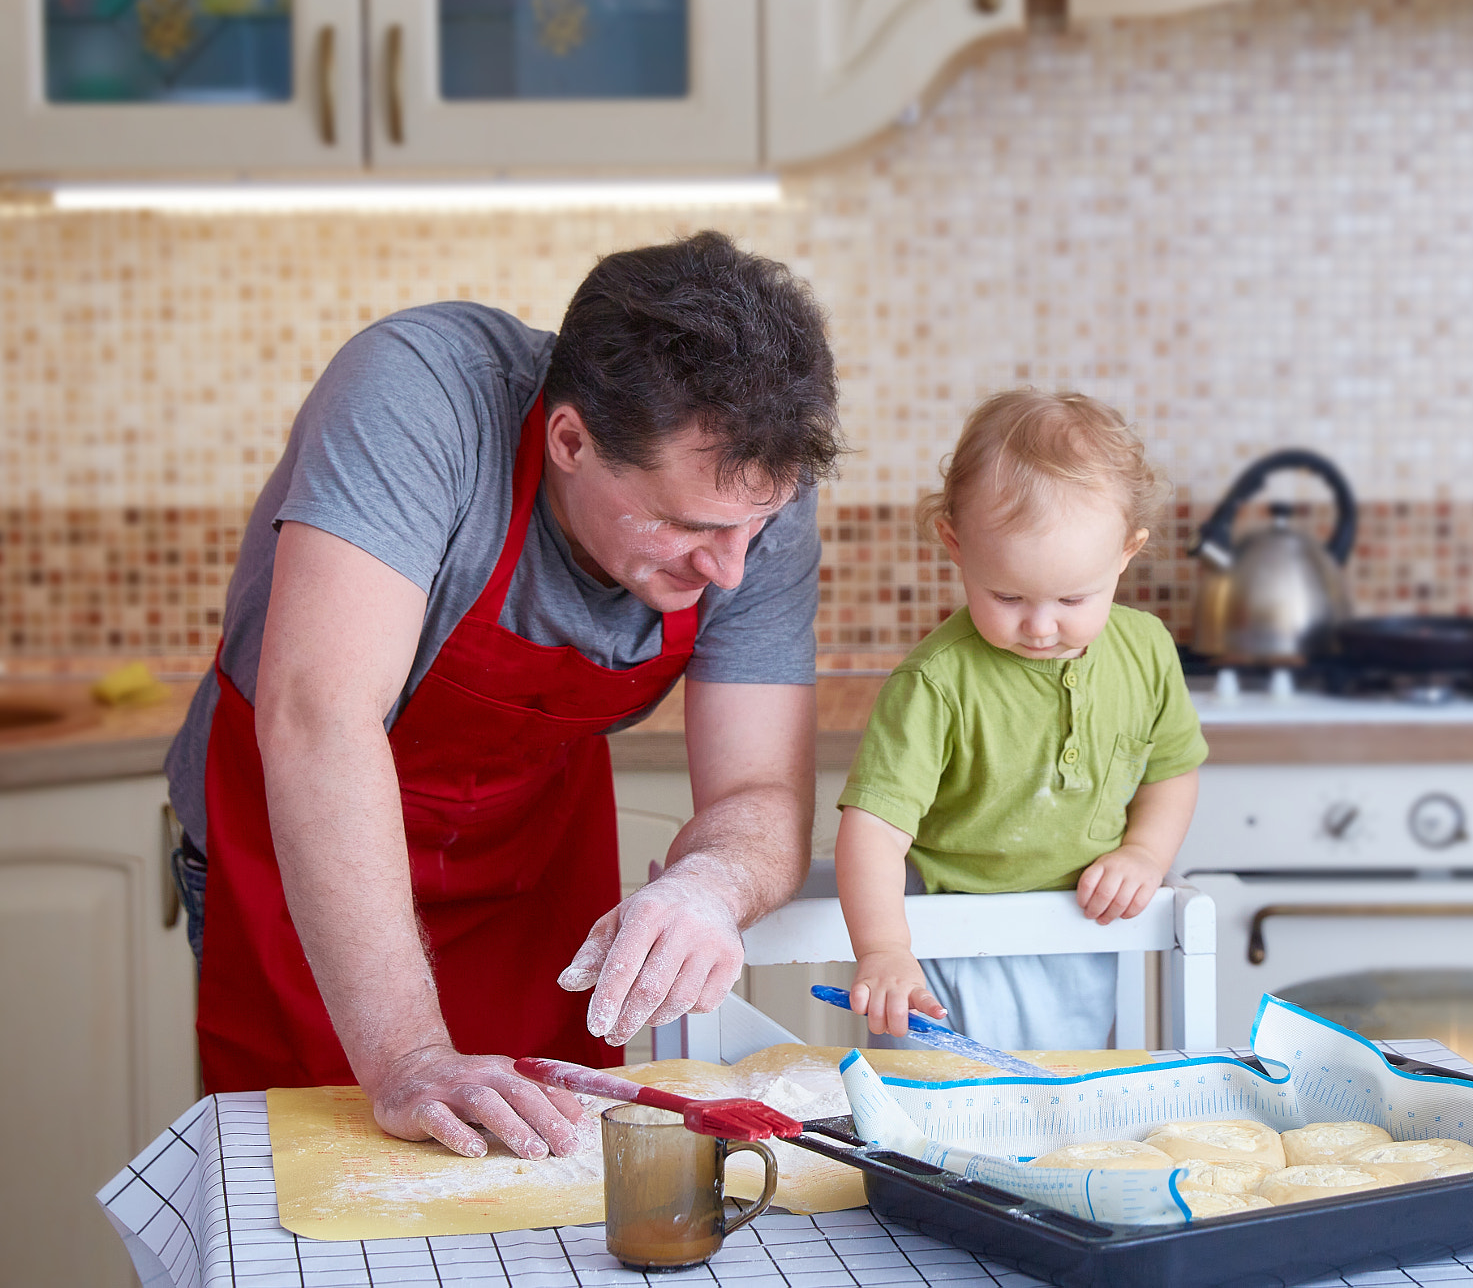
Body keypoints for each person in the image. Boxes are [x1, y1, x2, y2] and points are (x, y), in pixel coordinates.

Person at [163, 232, 842, 1160]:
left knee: (537, 1195)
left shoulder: (751, 480)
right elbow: (320, 718)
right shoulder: (415, 396)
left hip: (530, 878)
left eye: (756, 527)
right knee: (309, 1192)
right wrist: (408, 1055)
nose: (731, 570)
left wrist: (713, 884)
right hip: (297, 860)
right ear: (569, 440)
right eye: (690, 528)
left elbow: (758, 791)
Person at [832, 390, 1206, 1050]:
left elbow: (1172, 771)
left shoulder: (1146, 650)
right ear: (955, 545)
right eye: (1006, 596)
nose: (1039, 626)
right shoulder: (936, 682)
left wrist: (1145, 852)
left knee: (1061, 1113)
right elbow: (875, 831)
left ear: (1127, 552)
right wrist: (886, 949)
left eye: (1072, 597)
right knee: (941, 1135)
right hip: (946, 954)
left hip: (1082, 940)